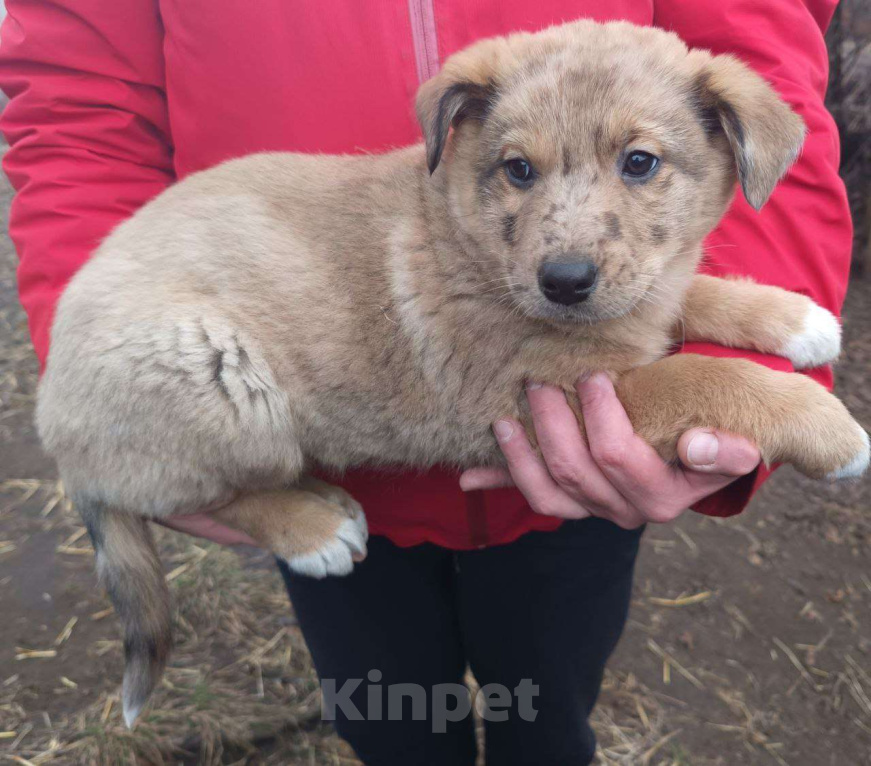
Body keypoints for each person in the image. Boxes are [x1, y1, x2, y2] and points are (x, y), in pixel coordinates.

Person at [0, 2, 850, 764]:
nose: (565, 244)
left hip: (570, 516)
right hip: (280, 426)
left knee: (548, 709)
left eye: (638, 162)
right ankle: (255, 501)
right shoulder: (456, 233)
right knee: (392, 720)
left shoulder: (679, 138)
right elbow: (77, 115)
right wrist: (769, 403)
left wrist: (750, 319)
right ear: (459, 135)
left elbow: (759, 38)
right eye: (519, 170)